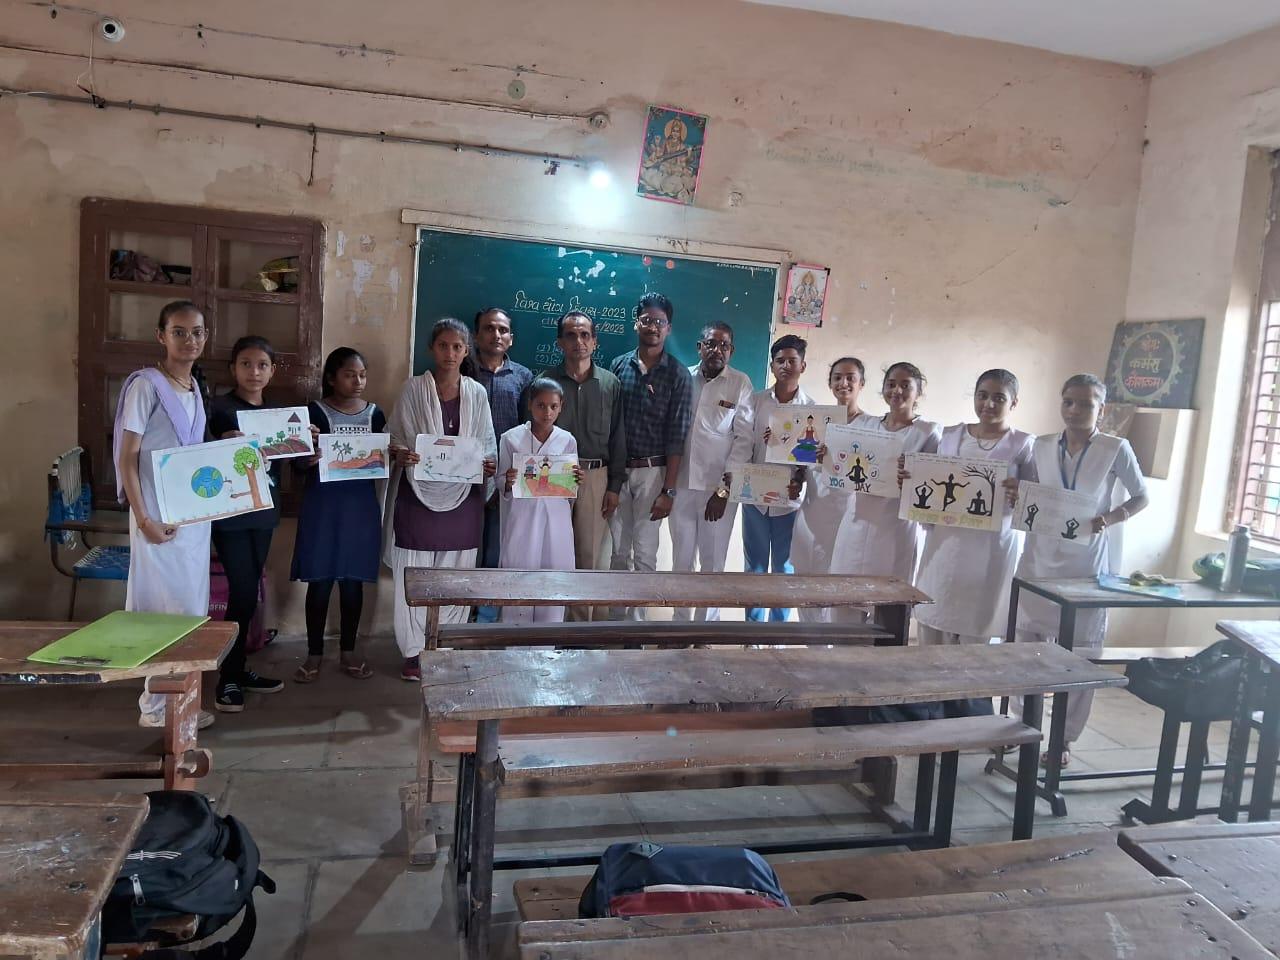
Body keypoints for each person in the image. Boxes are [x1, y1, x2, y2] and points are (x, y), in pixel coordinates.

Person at [1012, 373, 1149, 766]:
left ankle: (1063, 740)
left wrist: (1113, 515)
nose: (1075, 410)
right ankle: (1020, 728)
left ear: (1101, 410)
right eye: (1069, 402)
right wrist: (1015, 493)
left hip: (1085, 563)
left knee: (1079, 654)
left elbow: (1142, 496)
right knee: (1026, 648)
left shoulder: (1114, 448)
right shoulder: (1040, 446)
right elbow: (1031, 493)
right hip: (1039, 558)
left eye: (1086, 404)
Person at [113, 301, 216, 730]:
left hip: (190, 517)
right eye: (179, 331)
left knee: (189, 608)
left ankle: (183, 703)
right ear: (161, 336)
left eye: (196, 332)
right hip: (155, 515)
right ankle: (156, 708)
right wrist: (144, 518)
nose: (189, 340)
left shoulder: (194, 388)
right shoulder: (147, 387)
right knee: (158, 608)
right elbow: (127, 456)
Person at [913, 370, 1036, 717]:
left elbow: (1035, 503)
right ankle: (928, 707)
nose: (989, 403)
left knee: (976, 633)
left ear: (1014, 402)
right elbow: (930, 483)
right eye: (983, 394)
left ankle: (969, 714)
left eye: (999, 397)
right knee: (933, 621)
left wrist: (1020, 492)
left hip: (990, 551)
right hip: (946, 545)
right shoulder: (950, 436)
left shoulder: (1024, 444)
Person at [385, 319, 497, 681]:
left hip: (463, 499)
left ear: (466, 351)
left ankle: (443, 645)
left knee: (455, 574)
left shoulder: (477, 393)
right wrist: (401, 453)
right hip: (416, 497)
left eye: (457, 347)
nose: (450, 353)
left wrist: (488, 465)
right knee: (414, 572)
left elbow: (486, 443)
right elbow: (394, 438)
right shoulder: (413, 389)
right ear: (433, 349)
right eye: (444, 345)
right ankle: (415, 652)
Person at [290, 347, 386, 683]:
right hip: (322, 507)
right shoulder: (313, 412)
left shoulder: (375, 415)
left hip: (359, 508)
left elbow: (381, 460)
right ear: (331, 377)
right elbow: (297, 463)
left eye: (362, 374)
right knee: (319, 582)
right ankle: (314, 654)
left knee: (352, 583)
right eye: (349, 374)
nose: (358, 381)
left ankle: (348, 652)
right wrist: (307, 458)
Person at [205, 336, 286, 712]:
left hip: (264, 514)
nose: (254, 372)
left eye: (262, 365)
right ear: (233, 368)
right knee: (239, 594)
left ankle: (239, 669)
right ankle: (228, 679)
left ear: (272, 370)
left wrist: (305, 444)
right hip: (232, 517)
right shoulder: (219, 409)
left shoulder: (277, 416)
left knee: (250, 592)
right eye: (246, 364)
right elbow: (203, 462)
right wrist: (222, 442)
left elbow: (288, 464)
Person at [536, 310, 627, 621]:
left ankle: (582, 632)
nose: (579, 341)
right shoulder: (544, 384)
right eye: (571, 335)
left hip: (594, 476)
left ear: (595, 342)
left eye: (585, 335)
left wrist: (614, 486)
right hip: (552, 476)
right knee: (554, 551)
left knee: (588, 555)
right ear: (560, 342)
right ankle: (554, 626)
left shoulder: (610, 384)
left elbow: (618, 438)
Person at [608, 293, 693, 619]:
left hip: (653, 473)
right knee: (618, 552)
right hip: (619, 473)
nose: (653, 327)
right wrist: (613, 479)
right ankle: (614, 627)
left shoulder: (677, 374)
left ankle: (637, 630)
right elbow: (612, 426)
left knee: (644, 553)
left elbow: (678, 436)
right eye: (647, 320)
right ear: (636, 323)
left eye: (659, 322)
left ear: (668, 328)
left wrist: (668, 491)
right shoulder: (618, 366)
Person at [828, 362, 942, 600]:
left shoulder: (928, 432)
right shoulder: (865, 425)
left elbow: (933, 485)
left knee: (887, 600)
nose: (896, 391)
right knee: (845, 598)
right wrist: (826, 458)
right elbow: (842, 467)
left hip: (895, 527)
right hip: (856, 519)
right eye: (891, 384)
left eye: (905, 385)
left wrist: (913, 478)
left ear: (918, 392)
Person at [670, 322, 754, 621]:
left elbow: (744, 440)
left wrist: (723, 490)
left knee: (712, 561)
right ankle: (678, 629)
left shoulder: (740, 383)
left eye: (723, 345)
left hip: (717, 491)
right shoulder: (682, 377)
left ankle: (704, 628)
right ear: (699, 347)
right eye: (710, 343)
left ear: (731, 351)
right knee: (681, 560)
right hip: (681, 485)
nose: (716, 350)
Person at [731, 334, 813, 622]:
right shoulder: (755, 403)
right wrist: (735, 482)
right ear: (772, 365)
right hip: (755, 499)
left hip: (789, 504)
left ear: (803, 366)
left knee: (784, 568)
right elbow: (743, 446)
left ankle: (778, 631)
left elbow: (813, 461)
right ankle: (753, 632)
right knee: (753, 567)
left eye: (792, 361)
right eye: (780, 360)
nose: (786, 366)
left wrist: (801, 477)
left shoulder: (813, 411)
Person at [467, 308, 533, 623]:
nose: (496, 335)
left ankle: (486, 615)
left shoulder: (524, 377)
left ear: (511, 338)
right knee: (463, 547)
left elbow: (528, 430)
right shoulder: (461, 370)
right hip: (464, 474)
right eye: (489, 329)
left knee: (496, 548)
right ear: (476, 335)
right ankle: (459, 612)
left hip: (506, 478)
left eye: (503, 330)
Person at [497, 378, 579, 623]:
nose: (547, 412)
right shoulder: (511, 438)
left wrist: (575, 478)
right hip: (523, 516)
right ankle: (514, 644)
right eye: (541, 406)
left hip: (555, 518)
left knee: (553, 577)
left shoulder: (567, 440)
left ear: (561, 406)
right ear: (530, 405)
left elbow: (568, 487)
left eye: (553, 406)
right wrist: (508, 480)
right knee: (520, 575)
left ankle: (547, 644)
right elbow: (500, 481)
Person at [793, 357, 867, 623]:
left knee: (837, 593)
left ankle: (832, 656)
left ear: (862, 384)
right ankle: (810, 651)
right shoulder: (815, 420)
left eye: (851, 378)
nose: (843, 383)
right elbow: (800, 463)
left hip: (848, 519)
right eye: (837, 377)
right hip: (812, 515)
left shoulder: (872, 427)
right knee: (805, 589)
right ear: (830, 383)